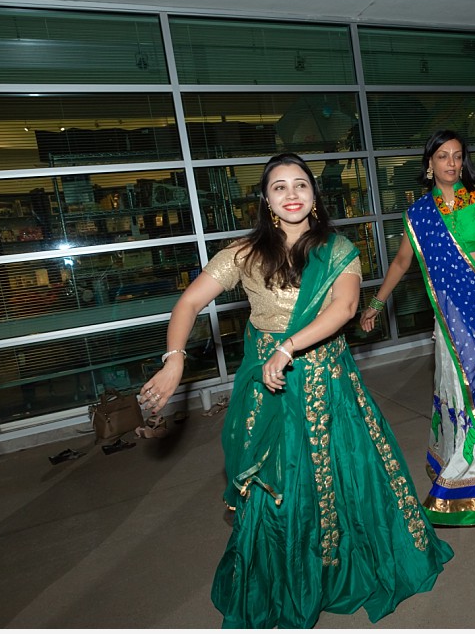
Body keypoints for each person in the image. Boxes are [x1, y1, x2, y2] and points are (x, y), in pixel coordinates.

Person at [139, 153, 452, 628]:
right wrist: (175, 360)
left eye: (300, 185)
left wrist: (286, 348)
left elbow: (345, 308)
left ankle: (343, 566)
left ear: (314, 195)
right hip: (266, 386)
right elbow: (188, 302)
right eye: (279, 187)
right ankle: (282, 578)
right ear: (266, 200)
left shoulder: (339, 247)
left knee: (345, 471)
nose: (291, 194)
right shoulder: (242, 254)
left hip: (325, 378)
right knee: (274, 483)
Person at [359, 130, 475, 526]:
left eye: (458, 156)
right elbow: (400, 264)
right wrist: (376, 302)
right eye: (443, 156)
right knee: (467, 390)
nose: (452, 163)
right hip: (455, 315)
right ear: (429, 164)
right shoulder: (419, 215)